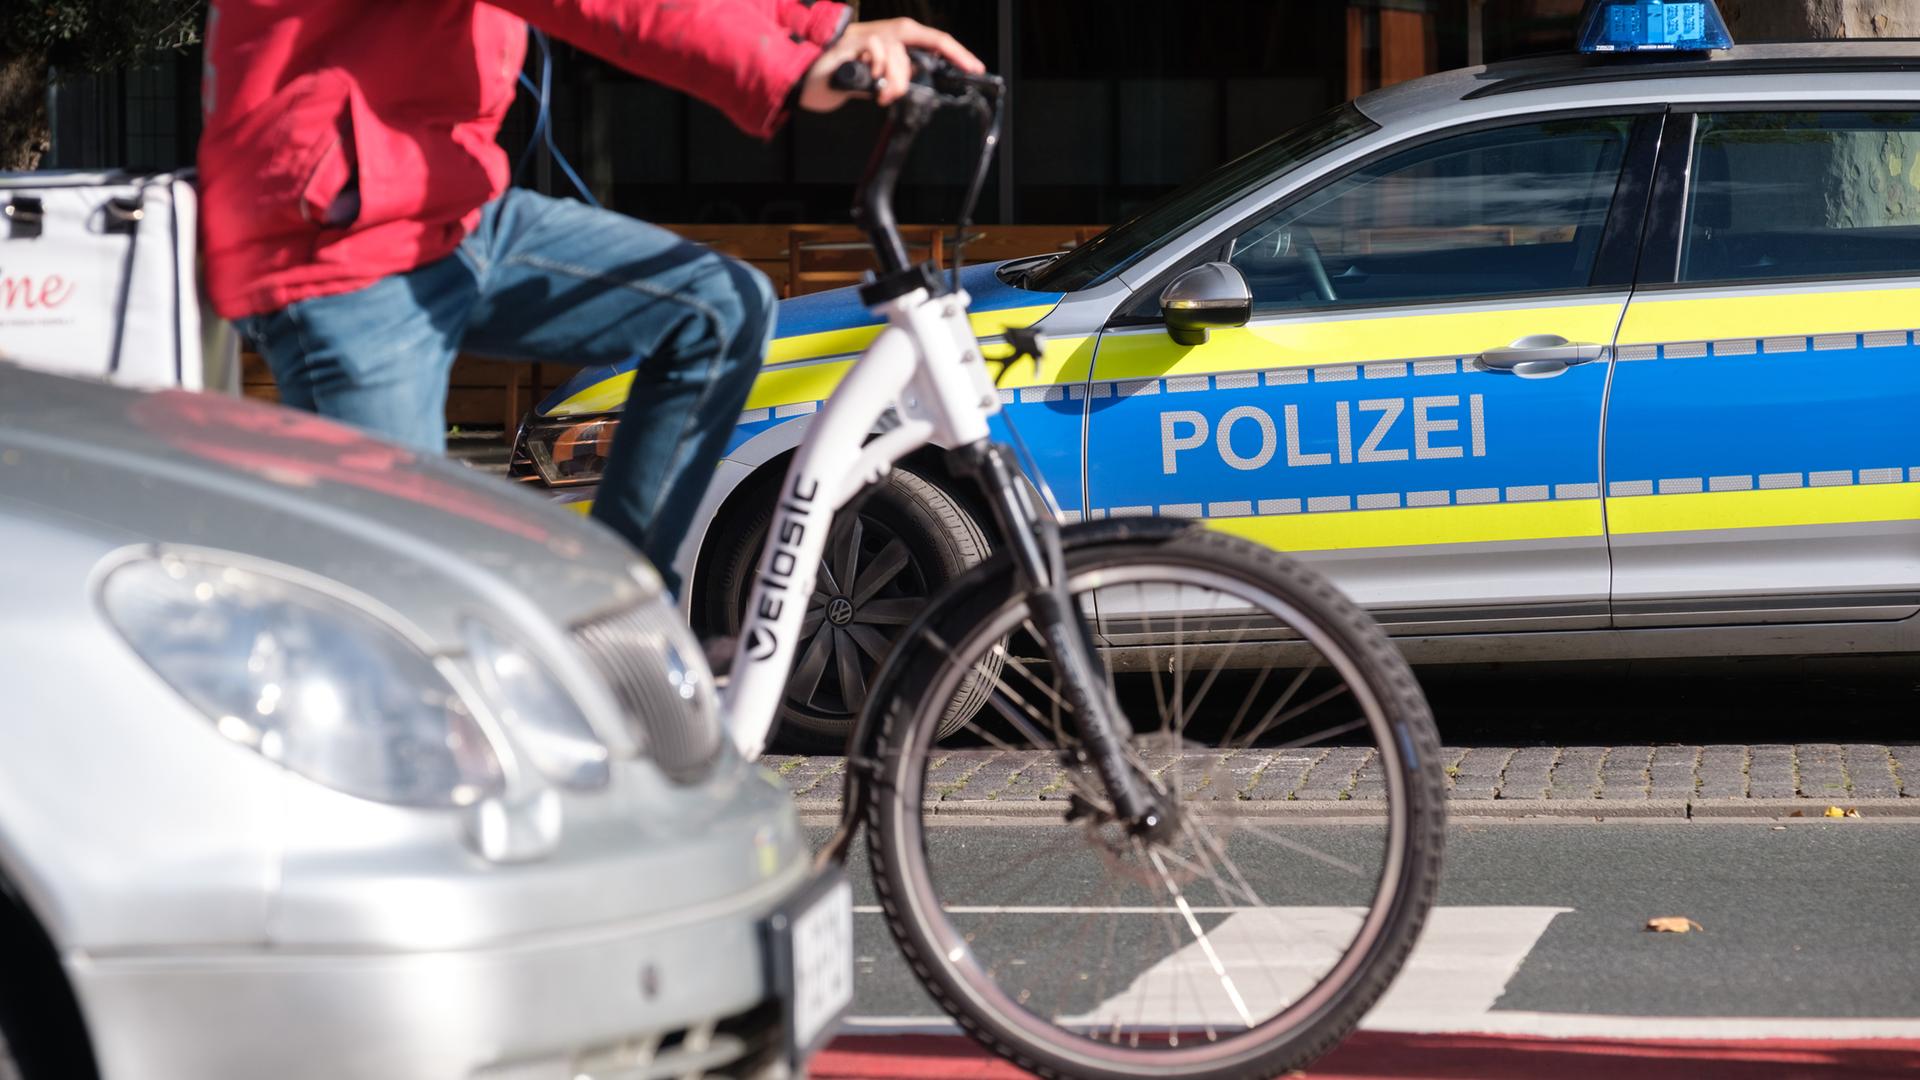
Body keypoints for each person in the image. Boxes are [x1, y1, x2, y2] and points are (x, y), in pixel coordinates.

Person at [198, 0, 981, 594]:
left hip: (446, 206)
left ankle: (614, 616)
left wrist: (815, 27)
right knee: (400, 598)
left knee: (719, 308)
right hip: (338, 240)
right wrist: (784, 65)